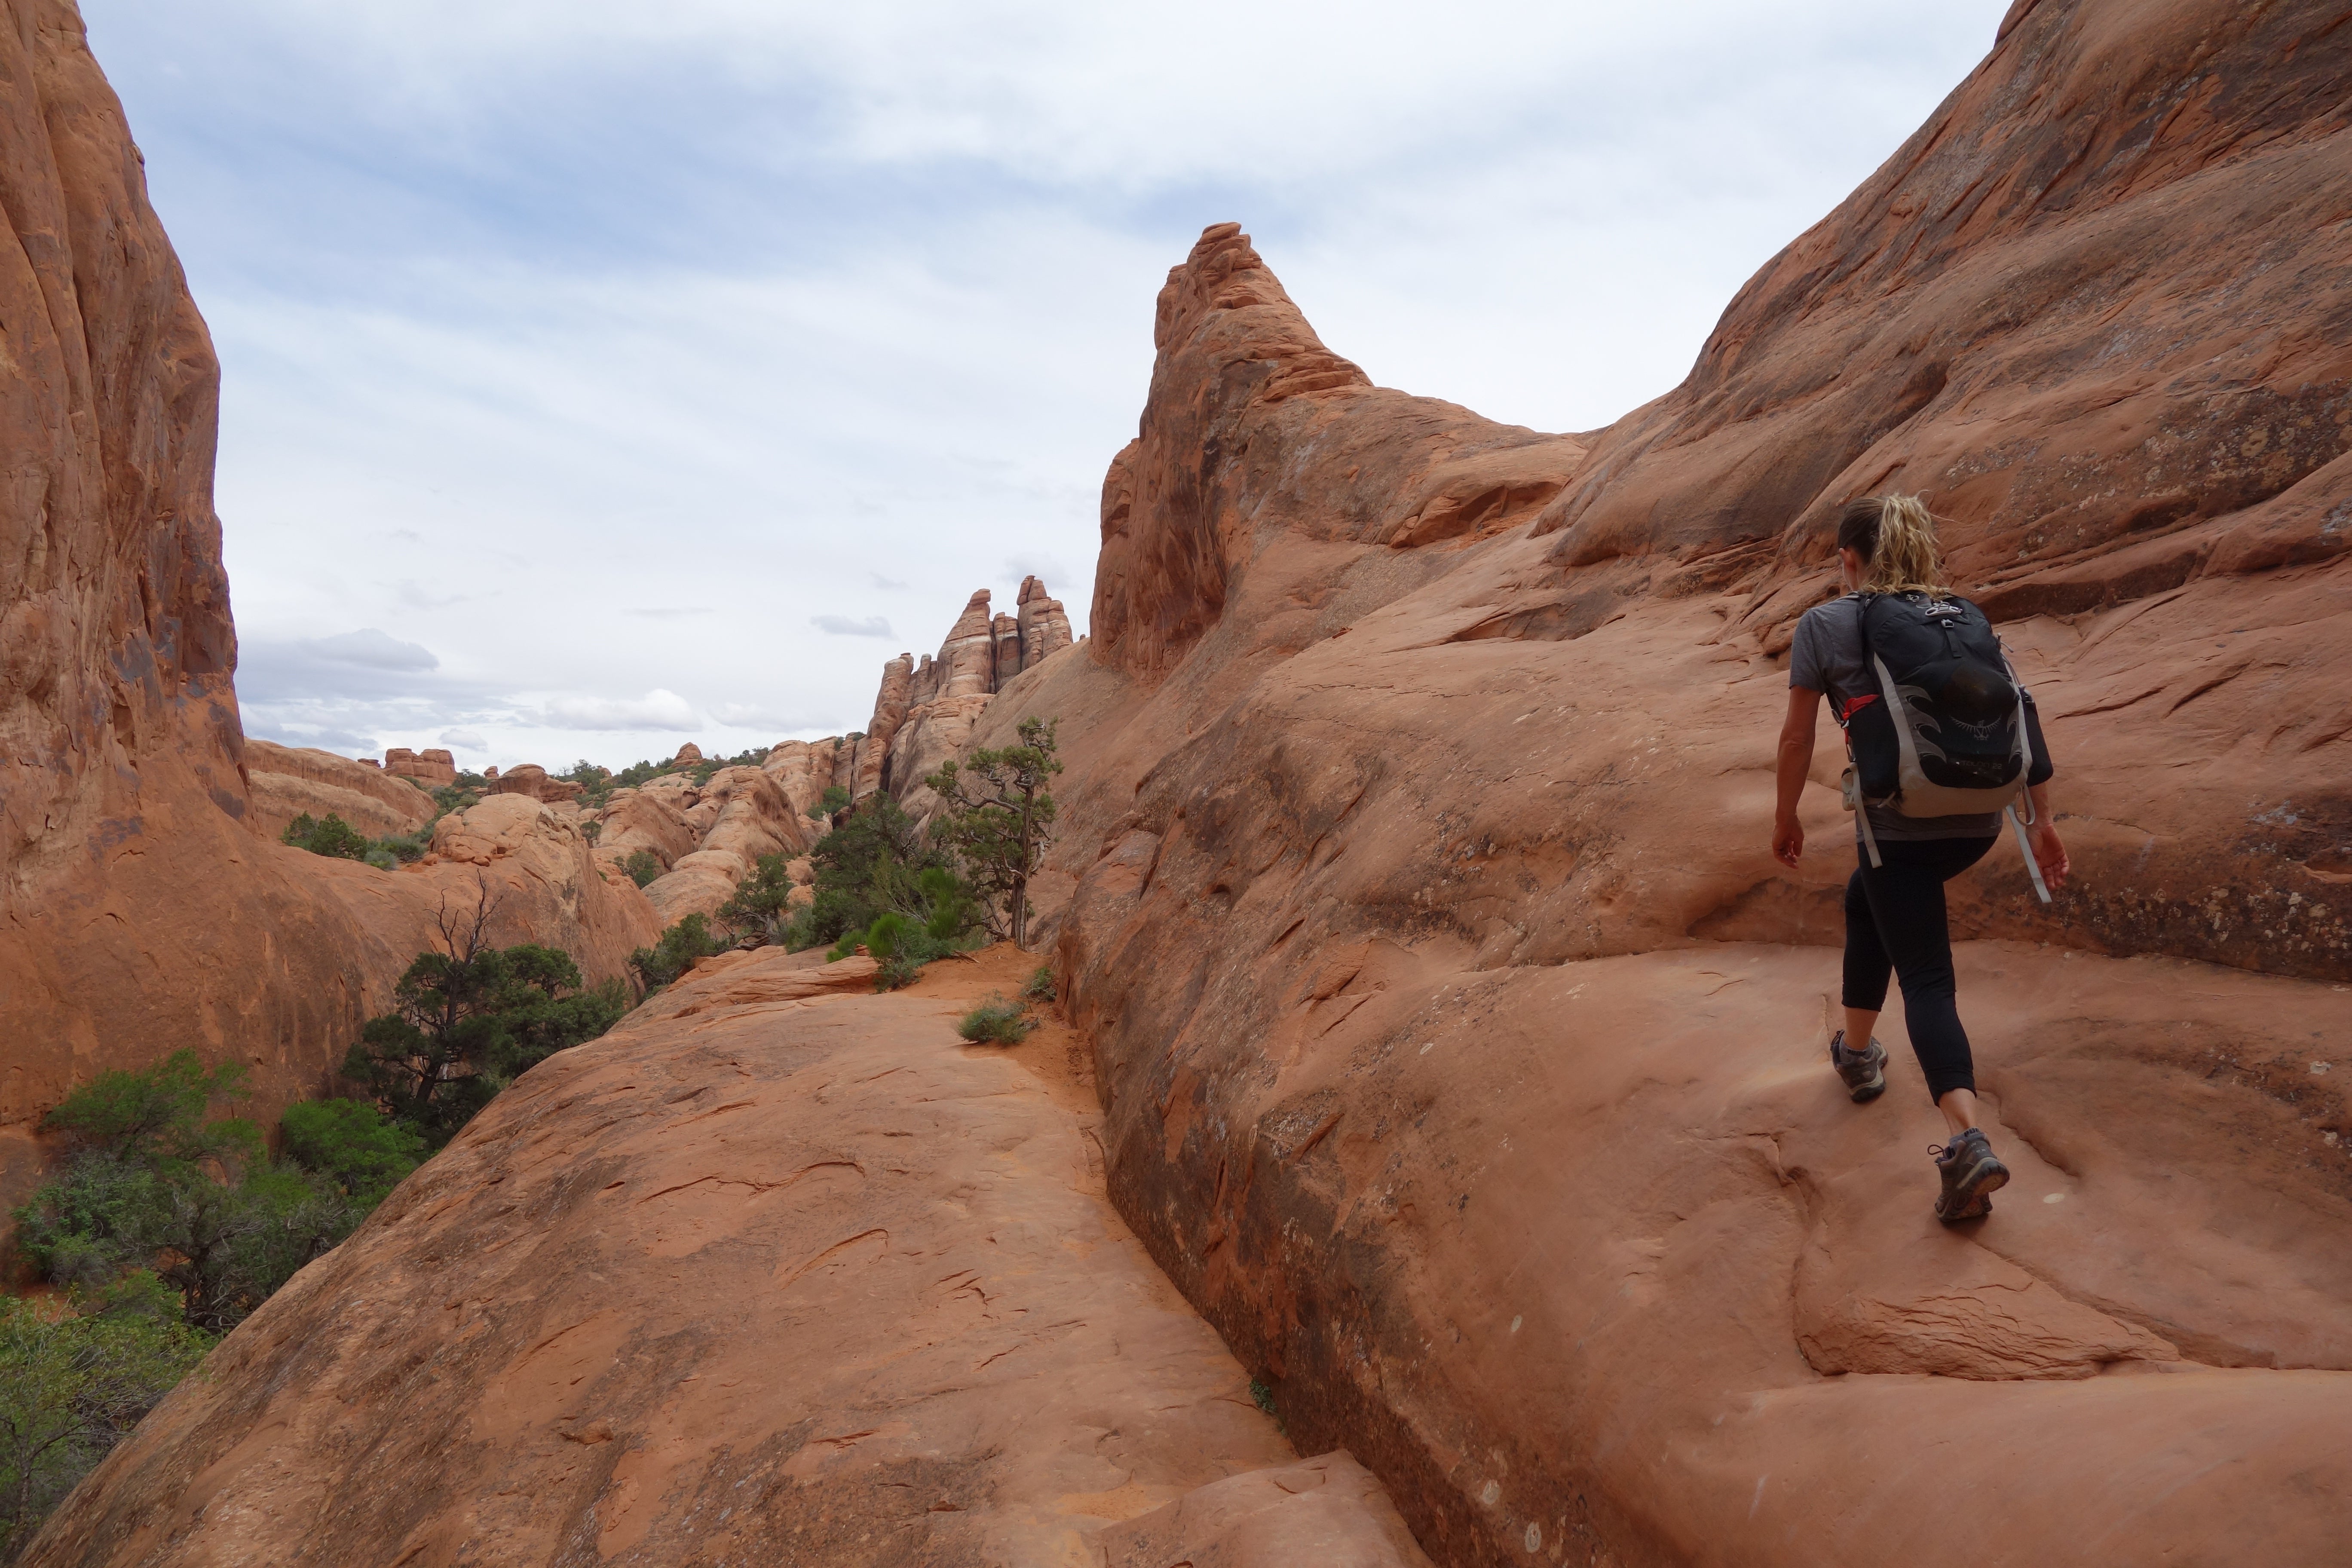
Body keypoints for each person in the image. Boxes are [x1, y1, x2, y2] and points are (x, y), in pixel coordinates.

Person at [1770, 494, 2070, 1222]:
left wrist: (1785, 818)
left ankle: (1967, 1142)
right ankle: (1859, 1054)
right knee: (1864, 902)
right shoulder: (1962, 615)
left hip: (1902, 825)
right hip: (1979, 822)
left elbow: (1796, 739)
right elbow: (2019, 707)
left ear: (1849, 560)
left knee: (1928, 977)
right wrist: (2043, 821)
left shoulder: (1827, 623)